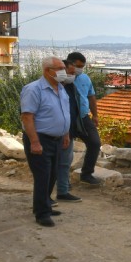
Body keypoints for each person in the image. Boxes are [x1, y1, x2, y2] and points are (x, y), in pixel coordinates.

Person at [20, 57, 71, 227]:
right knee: (43, 176)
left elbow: (64, 113)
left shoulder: (61, 88)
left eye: (63, 67)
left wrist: (65, 134)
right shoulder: (34, 89)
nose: (63, 71)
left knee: (52, 175)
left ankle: (45, 205)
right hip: (40, 138)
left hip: (57, 139)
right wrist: (34, 142)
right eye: (59, 68)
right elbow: (27, 117)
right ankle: (41, 213)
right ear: (47, 70)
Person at [66, 52, 102, 185]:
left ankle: (87, 174)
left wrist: (95, 115)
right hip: (68, 118)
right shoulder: (63, 79)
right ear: (70, 64)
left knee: (95, 143)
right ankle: (63, 180)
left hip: (83, 116)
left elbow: (91, 96)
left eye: (82, 66)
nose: (79, 69)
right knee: (65, 150)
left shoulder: (85, 78)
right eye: (77, 66)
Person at [54, 60, 83, 203]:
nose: (73, 76)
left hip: (68, 131)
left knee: (66, 162)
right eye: (70, 73)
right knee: (51, 164)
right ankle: (46, 197)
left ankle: (63, 190)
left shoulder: (70, 87)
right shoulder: (48, 88)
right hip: (50, 134)